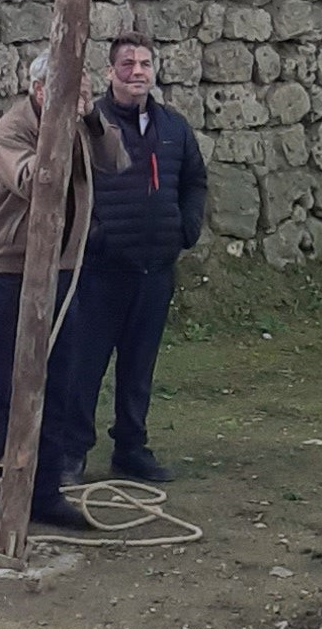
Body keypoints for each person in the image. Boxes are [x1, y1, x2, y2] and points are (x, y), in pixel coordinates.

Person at [0, 52, 121, 539]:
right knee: (1, 386)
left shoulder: (82, 122)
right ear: (38, 91)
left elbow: (116, 161)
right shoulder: (11, 129)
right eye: (68, 90)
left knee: (61, 381)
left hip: (63, 270)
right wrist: (59, 127)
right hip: (13, 271)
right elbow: (36, 180)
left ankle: (45, 490)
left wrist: (91, 119)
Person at [45, 32, 207, 492]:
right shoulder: (89, 125)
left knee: (139, 367)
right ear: (111, 72)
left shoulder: (174, 128)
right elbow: (66, 185)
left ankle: (131, 448)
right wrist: (94, 236)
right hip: (101, 270)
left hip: (155, 269)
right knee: (85, 365)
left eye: (145, 63)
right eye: (128, 64)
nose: (137, 71)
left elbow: (194, 180)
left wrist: (185, 229)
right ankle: (72, 452)